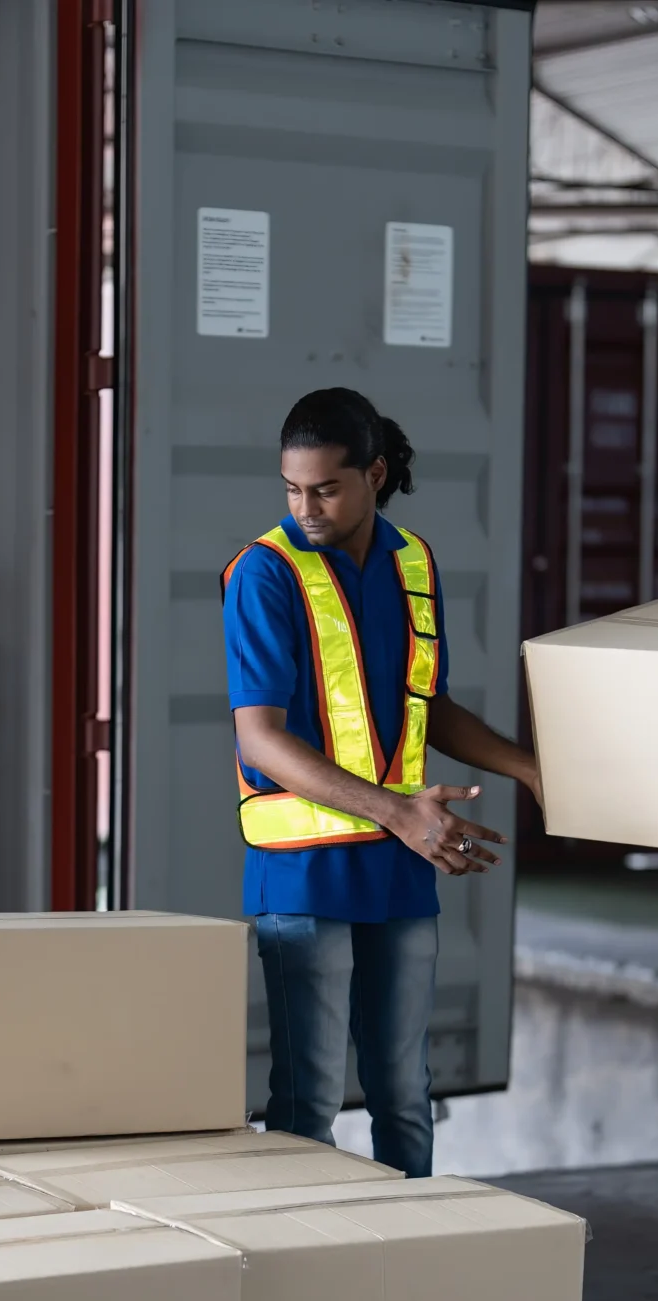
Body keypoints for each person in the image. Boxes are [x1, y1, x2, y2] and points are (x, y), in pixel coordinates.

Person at [222, 389, 541, 1179]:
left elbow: (423, 707)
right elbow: (259, 733)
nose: (306, 507)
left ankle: (412, 1273)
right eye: (293, 489)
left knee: (405, 1092)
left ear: (375, 473)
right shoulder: (264, 572)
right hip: (305, 872)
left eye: (325, 488)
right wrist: (399, 811)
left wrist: (529, 769)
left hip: (400, 869)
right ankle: (309, 1276)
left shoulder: (413, 560)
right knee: (309, 1100)